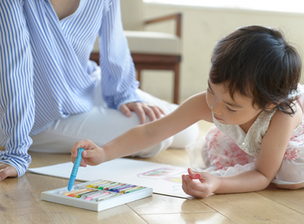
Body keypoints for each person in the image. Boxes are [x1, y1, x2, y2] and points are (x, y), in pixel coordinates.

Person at [71, 25, 304, 198]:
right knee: (221, 154)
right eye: (211, 91)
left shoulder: (282, 116)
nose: (215, 108)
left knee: (288, 175)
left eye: (231, 107)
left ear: (268, 104)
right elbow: (151, 133)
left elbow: (263, 175)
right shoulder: (207, 102)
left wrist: (218, 185)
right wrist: (103, 153)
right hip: (257, 142)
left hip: (289, 142)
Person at [0, 0, 199, 181]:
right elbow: (15, 72)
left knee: (188, 129)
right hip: (34, 111)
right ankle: (22, 137)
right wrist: (16, 150)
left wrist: (124, 94)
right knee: (156, 135)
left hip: (82, 82)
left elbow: (115, 45)